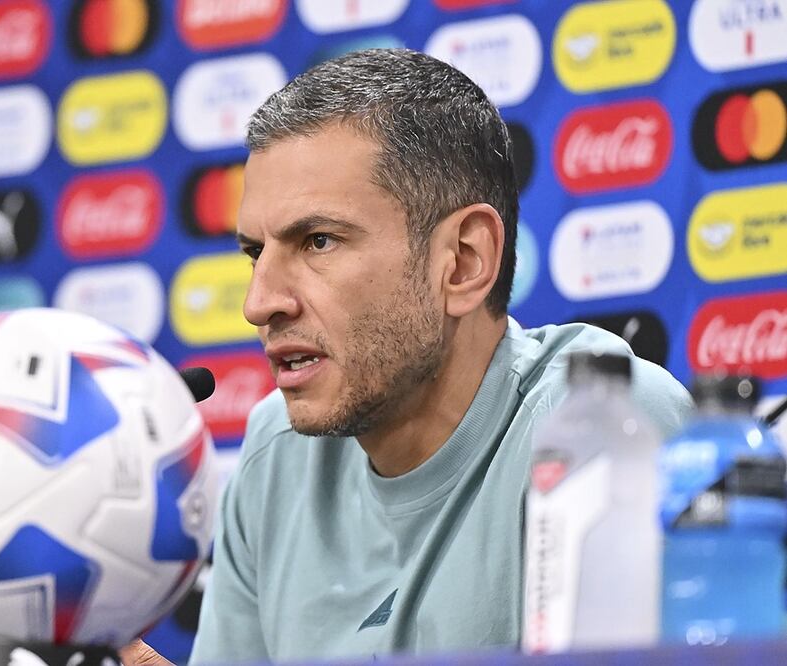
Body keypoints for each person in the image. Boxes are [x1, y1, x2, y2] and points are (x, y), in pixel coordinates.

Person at [122, 48, 693, 666]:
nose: (259, 304)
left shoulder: (598, 424)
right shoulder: (273, 454)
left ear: (464, 262)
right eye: (254, 253)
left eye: (318, 241)